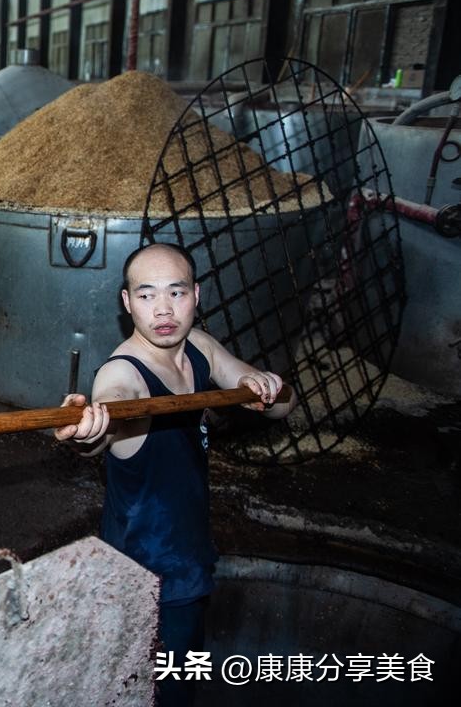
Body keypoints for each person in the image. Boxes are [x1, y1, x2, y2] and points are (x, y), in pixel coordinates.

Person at [56, 242, 294, 707]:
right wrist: (89, 430)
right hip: (147, 573)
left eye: (176, 293)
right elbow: (107, 424)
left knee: (177, 682)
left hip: (189, 556)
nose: (163, 309)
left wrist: (264, 386)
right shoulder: (123, 376)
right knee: (159, 692)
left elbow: (283, 407)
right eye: (146, 296)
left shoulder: (200, 347)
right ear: (126, 304)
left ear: (197, 295)